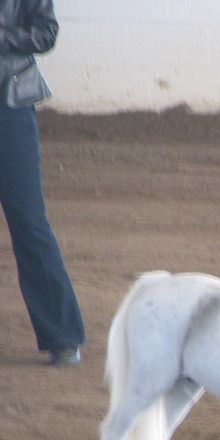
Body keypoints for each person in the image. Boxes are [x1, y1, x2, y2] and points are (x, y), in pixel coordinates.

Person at [1, 0, 84, 366]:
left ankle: (62, 336)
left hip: (10, 106)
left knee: (29, 222)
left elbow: (46, 32)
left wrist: (3, 36)